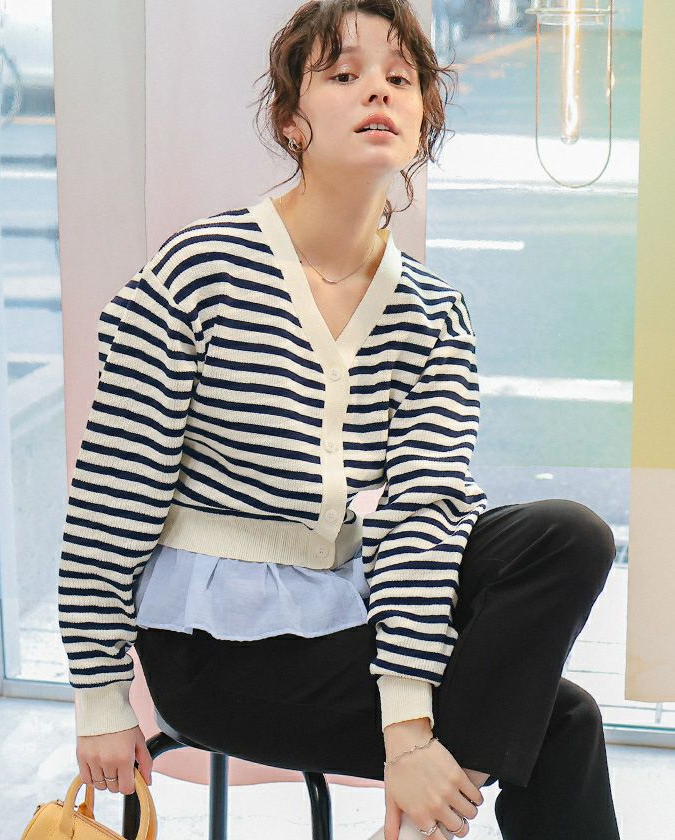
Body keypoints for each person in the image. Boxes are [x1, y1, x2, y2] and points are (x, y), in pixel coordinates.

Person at [59, 2, 621, 838]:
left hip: (348, 607)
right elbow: (113, 498)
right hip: (215, 654)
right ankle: (426, 817)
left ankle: (426, 810)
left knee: (568, 536)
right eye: (345, 74)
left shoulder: (432, 313)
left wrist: (412, 733)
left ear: (423, 118)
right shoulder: (198, 274)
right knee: (561, 719)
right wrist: (99, 697)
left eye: (401, 78)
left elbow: (421, 519)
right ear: (292, 119)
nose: (379, 92)